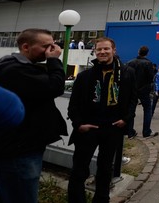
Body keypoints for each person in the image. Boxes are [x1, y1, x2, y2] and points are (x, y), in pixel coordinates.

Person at [0, 29, 67, 203]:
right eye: (46, 46)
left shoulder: (18, 66)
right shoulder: (15, 69)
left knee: (7, 193)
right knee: (21, 195)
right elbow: (55, 86)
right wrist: (54, 61)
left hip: (21, 146)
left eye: (53, 44)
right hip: (20, 150)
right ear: (26, 47)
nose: (52, 49)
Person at [67, 37, 136, 203]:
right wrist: (79, 124)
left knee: (105, 170)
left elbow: (133, 99)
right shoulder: (84, 76)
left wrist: (125, 120)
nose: (102, 52)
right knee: (79, 170)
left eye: (106, 49)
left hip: (112, 129)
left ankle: (101, 200)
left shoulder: (127, 73)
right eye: (99, 50)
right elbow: (73, 104)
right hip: (88, 129)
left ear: (114, 50)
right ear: (95, 52)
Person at [127, 46, 158, 138]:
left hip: (132, 90)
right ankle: (146, 131)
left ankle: (130, 132)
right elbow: (151, 78)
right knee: (147, 109)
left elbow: (126, 76)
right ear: (147, 53)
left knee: (131, 110)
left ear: (138, 51)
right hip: (144, 90)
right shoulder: (148, 63)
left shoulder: (130, 63)